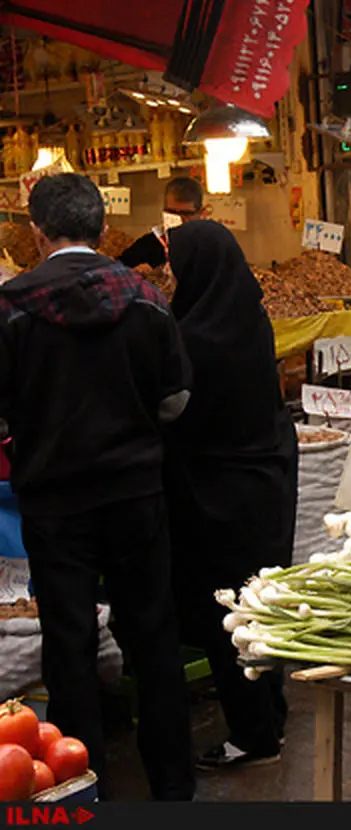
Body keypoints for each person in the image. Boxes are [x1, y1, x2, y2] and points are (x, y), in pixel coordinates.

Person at [0, 173, 194, 800]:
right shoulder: (144, 297)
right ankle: (173, 784)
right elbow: (176, 398)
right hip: (135, 494)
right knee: (152, 633)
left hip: (54, 503)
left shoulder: (9, 307)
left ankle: (84, 789)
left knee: (69, 643)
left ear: (36, 232)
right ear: (103, 229)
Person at [164, 220, 298, 770]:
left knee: (227, 620)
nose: (170, 275)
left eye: (176, 264)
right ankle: (272, 717)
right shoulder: (253, 319)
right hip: (266, 485)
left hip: (218, 500)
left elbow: (179, 420)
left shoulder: (191, 338)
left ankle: (253, 737)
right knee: (262, 605)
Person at [118, 177, 207, 269]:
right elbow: (115, 273)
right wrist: (134, 275)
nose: (179, 219)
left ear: (201, 213)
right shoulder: (148, 245)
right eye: (172, 213)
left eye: (186, 214)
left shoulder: (210, 248)